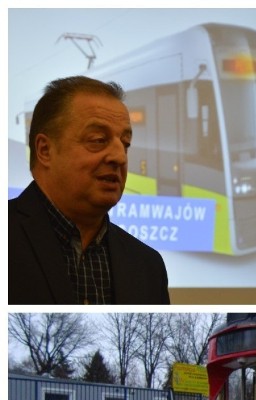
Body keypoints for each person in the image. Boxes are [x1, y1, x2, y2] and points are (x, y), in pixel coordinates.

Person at [9, 75, 170, 304]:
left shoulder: (147, 266)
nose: (119, 157)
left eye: (125, 144)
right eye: (97, 140)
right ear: (45, 150)